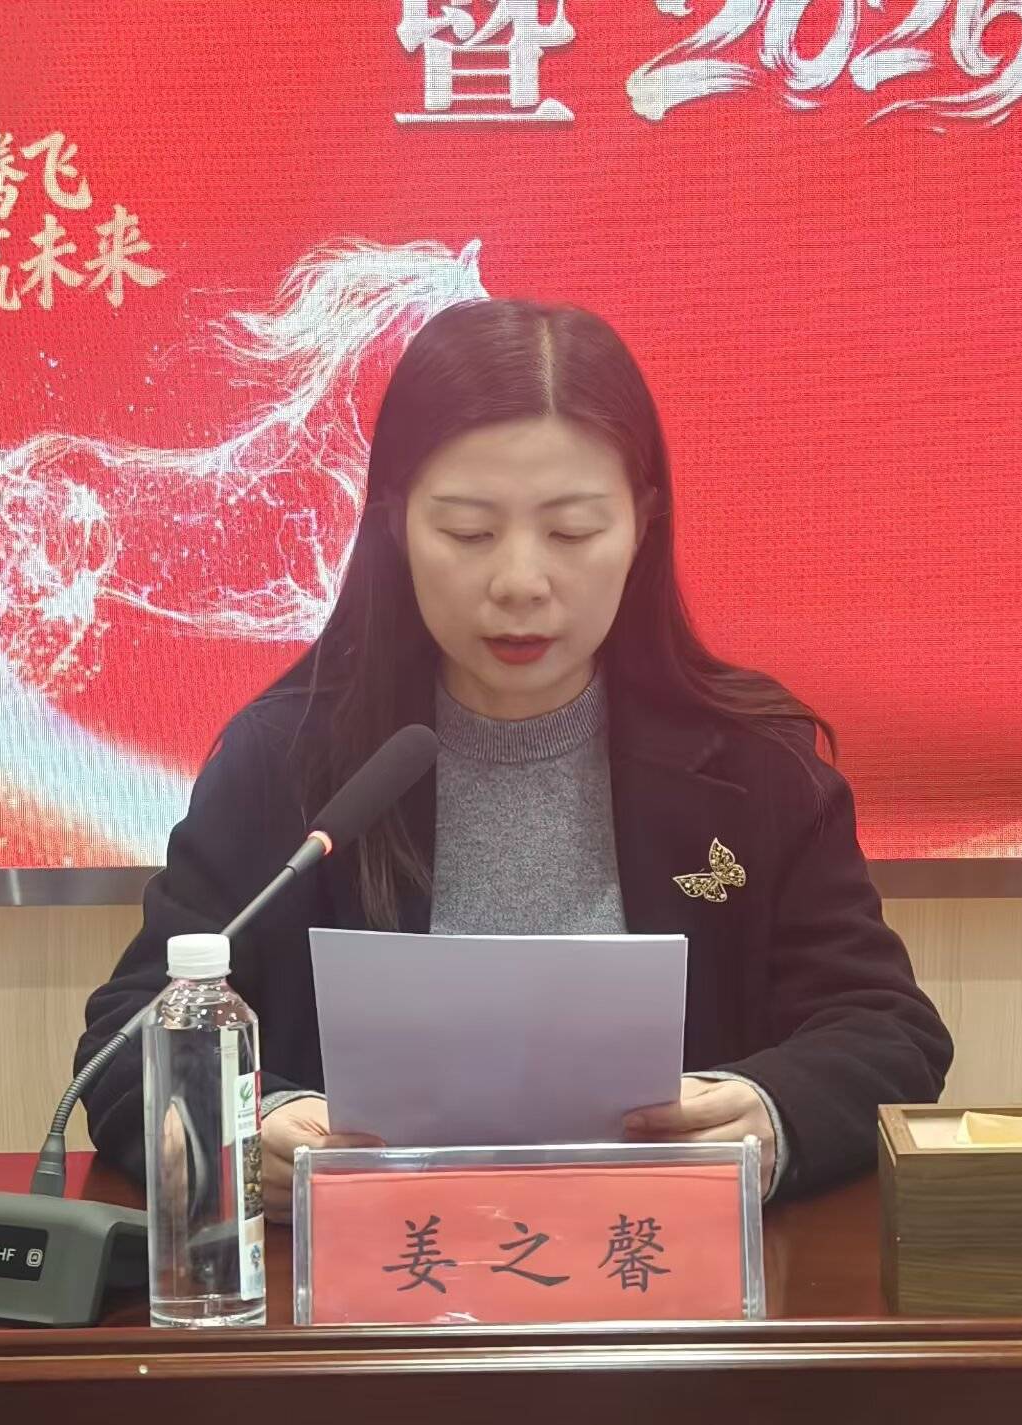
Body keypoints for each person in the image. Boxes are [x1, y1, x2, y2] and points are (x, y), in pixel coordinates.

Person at [74, 298, 951, 1210]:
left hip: (665, 1276)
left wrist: (771, 1114)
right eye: (468, 532)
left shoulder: (751, 770)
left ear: (642, 526)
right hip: (369, 1280)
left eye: (572, 532)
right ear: (394, 525)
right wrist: (256, 1127)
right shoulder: (287, 764)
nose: (521, 582)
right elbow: (126, 1044)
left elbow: (887, 1031)